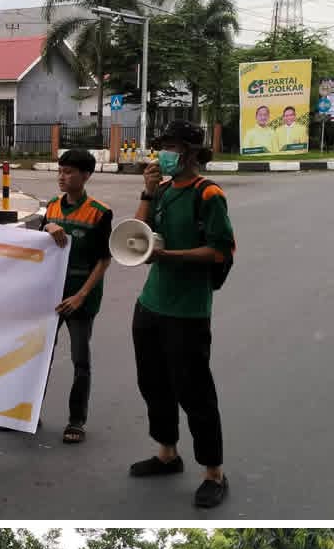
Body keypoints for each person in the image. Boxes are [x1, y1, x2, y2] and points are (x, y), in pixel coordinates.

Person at [130, 119, 235, 508]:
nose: (164, 154)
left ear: (191, 153)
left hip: (188, 311)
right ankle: (167, 454)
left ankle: (214, 473)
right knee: (153, 383)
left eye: (172, 147)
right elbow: (137, 235)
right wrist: (147, 191)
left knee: (195, 393)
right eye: (163, 147)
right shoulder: (162, 191)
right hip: (150, 304)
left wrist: (168, 256)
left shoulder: (208, 194)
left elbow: (220, 251)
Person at [39, 148, 113, 445]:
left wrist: (81, 296)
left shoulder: (99, 212)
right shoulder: (52, 207)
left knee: (80, 360)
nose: (62, 177)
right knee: (40, 357)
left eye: (68, 172)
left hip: (80, 300)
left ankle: (76, 420)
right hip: (51, 296)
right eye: (60, 171)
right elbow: (37, 242)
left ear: (86, 176)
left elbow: (104, 260)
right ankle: (28, 414)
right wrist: (48, 225)